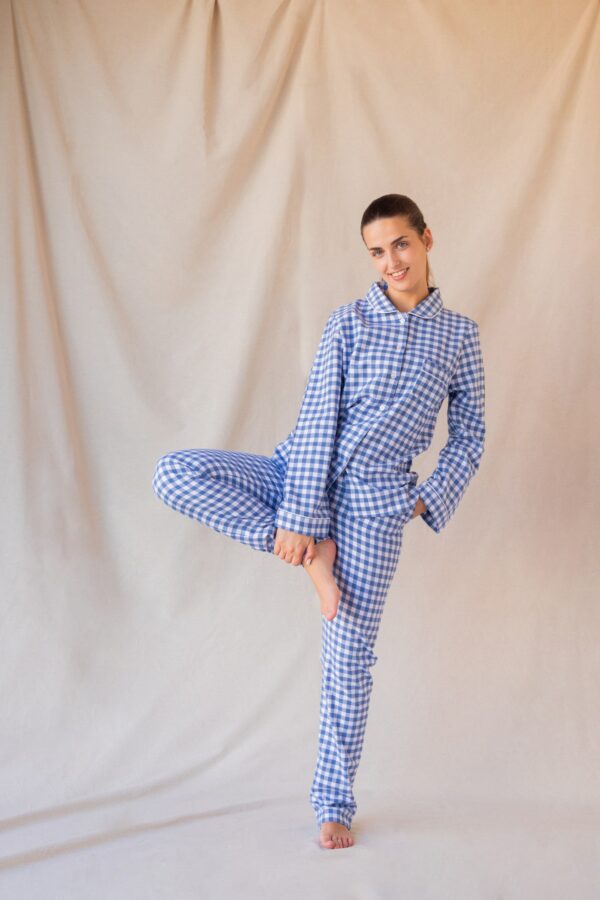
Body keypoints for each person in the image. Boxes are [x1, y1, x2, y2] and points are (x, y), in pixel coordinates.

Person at [152, 193, 486, 850]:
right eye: (376, 251)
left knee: (349, 658)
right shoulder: (348, 323)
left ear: (426, 239)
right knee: (175, 473)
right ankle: (313, 557)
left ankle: (333, 803)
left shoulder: (459, 336)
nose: (390, 261)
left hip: (375, 506)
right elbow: (315, 422)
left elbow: (470, 434)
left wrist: (426, 499)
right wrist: (301, 520)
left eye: (400, 244)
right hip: (301, 469)